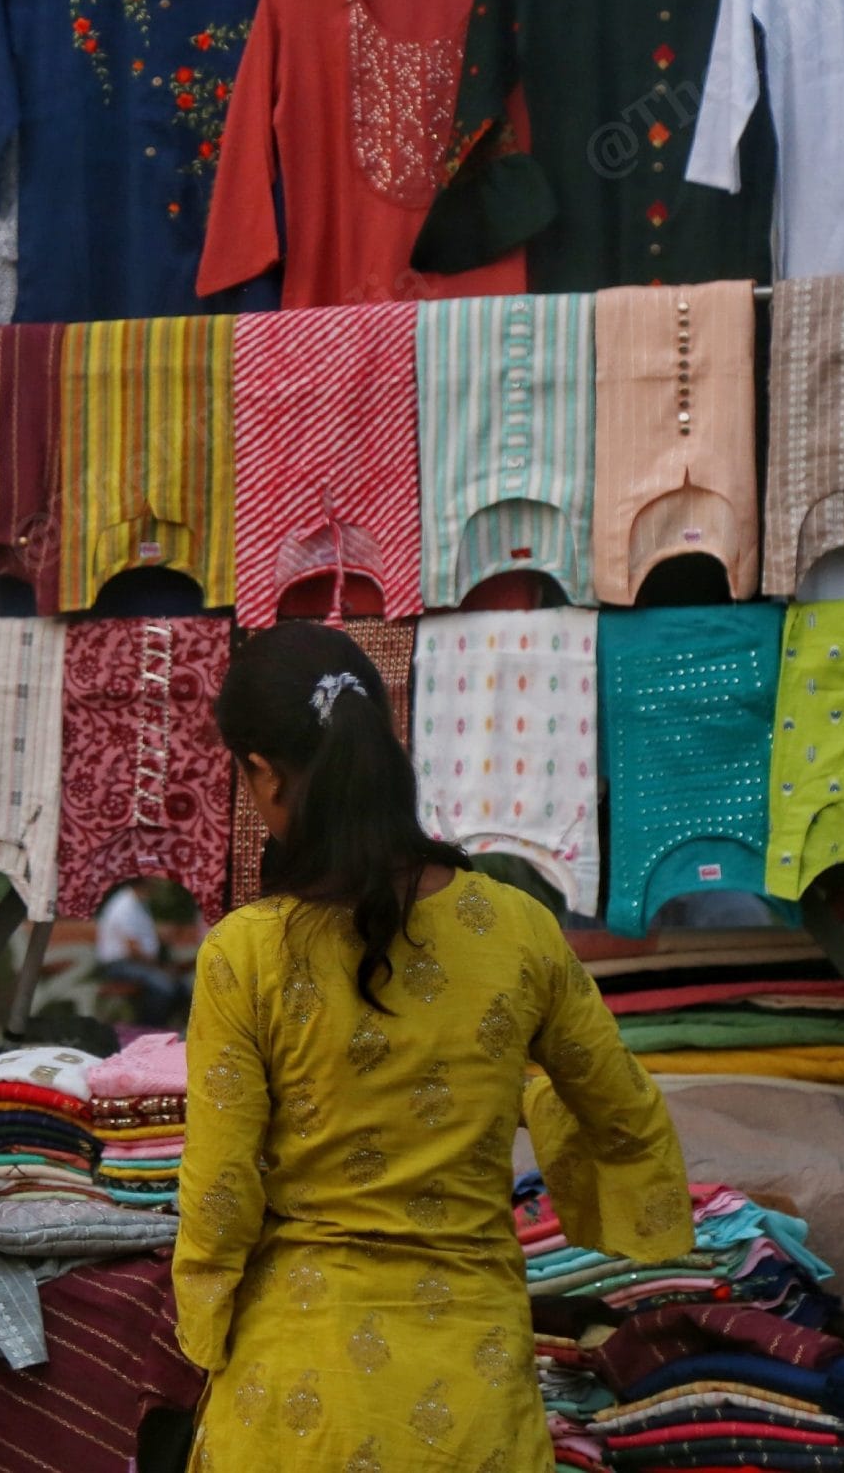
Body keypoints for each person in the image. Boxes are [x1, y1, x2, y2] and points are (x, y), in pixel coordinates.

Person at [176, 623, 690, 1471]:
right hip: (473, 1396)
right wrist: (524, 1101)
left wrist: (204, 1329)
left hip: (295, 1398)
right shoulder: (520, 931)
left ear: (262, 774)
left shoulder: (246, 954)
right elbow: (625, 1115)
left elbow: (222, 1197)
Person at [94, 882, 192, 1026]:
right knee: (163, 985)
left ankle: (169, 1027)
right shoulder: (125, 907)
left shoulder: (138, 903)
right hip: (121, 964)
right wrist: (159, 967)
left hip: (137, 962)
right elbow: (133, 949)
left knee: (183, 986)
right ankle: (149, 1028)